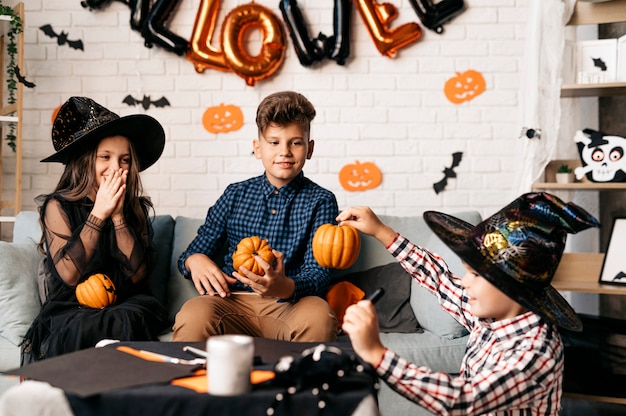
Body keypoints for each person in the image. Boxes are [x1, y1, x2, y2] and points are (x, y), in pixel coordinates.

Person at [338, 192, 600, 415]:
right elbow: (438, 279)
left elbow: (464, 398)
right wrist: (383, 232)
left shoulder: (535, 354)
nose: (464, 282)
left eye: (475, 274)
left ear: (511, 284)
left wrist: (377, 354)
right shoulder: (488, 317)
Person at [172, 91, 338, 343]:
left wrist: (285, 286)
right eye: (274, 142)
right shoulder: (234, 194)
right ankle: (189, 380)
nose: (285, 151)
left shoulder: (321, 200)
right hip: (232, 302)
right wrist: (194, 260)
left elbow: (319, 273)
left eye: (295, 142)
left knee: (319, 316)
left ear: (309, 148)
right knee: (193, 313)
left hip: (291, 303)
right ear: (257, 148)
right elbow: (192, 253)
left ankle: (303, 380)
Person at [21, 96, 169, 363]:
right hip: (74, 306)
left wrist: (117, 216)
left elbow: (137, 275)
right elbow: (68, 275)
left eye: (124, 160)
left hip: (125, 301)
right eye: (105, 157)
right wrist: (98, 215)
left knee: (128, 317)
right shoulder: (58, 206)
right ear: (87, 161)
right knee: (83, 326)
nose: (116, 167)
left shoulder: (135, 207)